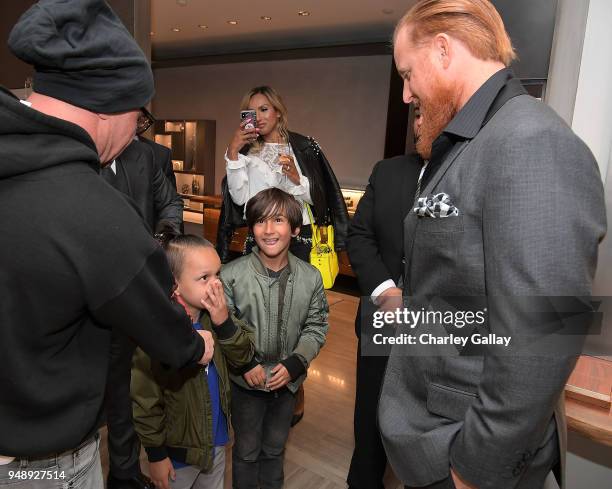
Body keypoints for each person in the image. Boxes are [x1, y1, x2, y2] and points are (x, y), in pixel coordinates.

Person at [378, 1, 607, 489]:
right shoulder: (471, 141)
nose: (406, 94)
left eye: (407, 73)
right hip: (434, 438)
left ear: (442, 50)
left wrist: (473, 471)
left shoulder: (530, 142)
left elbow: (544, 330)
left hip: (465, 453)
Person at [0, 1, 213, 487]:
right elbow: (166, 335)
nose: (135, 130)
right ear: (111, 107)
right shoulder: (96, 214)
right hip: (41, 468)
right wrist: (196, 346)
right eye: (138, 115)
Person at [219, 85, 348, 426]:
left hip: (298, 237)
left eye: (264, 109)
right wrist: (233, 152)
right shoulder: (245, 152)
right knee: (255, 311)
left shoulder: (302, 146)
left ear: (277, 111)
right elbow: (240, 198)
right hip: (261, 238)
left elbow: (314, 197)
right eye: (251, 111)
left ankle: (295, 376)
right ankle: (255, 371)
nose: (258, 117)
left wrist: (296, 178)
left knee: (298, 311)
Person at [220, 188, 329, 489]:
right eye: (260, 221)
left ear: (295, 229)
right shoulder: (230, 275)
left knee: (274, 450)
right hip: (246, 384)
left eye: (278, 220)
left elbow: (317, 325)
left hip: (287, 383)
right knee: (245, 451)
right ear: (251, 228)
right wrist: (246, 365)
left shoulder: (310, 277)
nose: (268, 230)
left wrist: (297, 362)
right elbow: (224, 328)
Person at [131, 235, 254, 489]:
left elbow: (244, 356)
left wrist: (224, 323)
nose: (216, 285)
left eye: (217, 275)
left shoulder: (218, 316)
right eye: (204, 278)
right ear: (174, 284)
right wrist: (156, 454)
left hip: (217, 444)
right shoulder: (157, 332)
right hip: (176, 457)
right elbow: (145, 398)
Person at [345, 114, 424, 489]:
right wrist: (384, 291)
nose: (419, 121)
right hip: (380, 317)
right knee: (370, 414)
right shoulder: (388, 171)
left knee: (425, 421)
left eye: (428, 111)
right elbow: (359, 236)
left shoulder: (472, 170)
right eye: (417, 114)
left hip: (437, 324)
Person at [103, 133, 185, 489]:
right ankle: (118, 470)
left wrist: (163, 240)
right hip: (97, 288)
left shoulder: (146, 155)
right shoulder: (78, 154)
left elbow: (169, 204)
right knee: (112, 385)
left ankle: (138, 466)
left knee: (141, 378)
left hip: (145, 285)